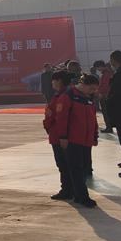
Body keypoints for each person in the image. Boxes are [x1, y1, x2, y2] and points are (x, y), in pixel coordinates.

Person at [52, 72, 101, 208]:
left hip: (86, 140)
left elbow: (93, 119)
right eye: (91, 88)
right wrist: (63, 137)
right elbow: (62, 118)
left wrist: (94, 135)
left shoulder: (87, 98)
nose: (93, 91)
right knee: (76, 168)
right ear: (83, 84)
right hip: (73, 140)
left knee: (83, 168)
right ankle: (82, 197)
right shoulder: (68, 96)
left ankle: (76, 194)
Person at [43, 69, 73, 200]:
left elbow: (60, 118)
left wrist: (62, 136)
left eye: (53, 81)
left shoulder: (62, 97)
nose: (52, 83)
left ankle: (67, 190)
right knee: (66, 164)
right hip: (60, 134)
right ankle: (70, 189)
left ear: (59, 81)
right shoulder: (66, 94)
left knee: (63, 164)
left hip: (59, 135)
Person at [96, 61, 114, 133]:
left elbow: (105, 85)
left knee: (106, 112)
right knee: (107, 112)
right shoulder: (106, 73)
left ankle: (109, 127)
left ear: (101, 66)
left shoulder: (106, 74)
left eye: (98, 68)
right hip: (106, 95)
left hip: (105, 96)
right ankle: (109, 127)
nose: (98, 69)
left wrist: (100, 93)